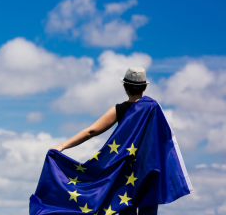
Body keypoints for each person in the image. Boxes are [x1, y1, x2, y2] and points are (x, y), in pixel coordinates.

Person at [49, 67, 158, 215]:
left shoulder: (119, 110)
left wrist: (61, 146)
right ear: (145, 87)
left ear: (124, 86)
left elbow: (91, 131)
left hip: (125, 173)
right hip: (149, 172)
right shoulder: (153, 108)